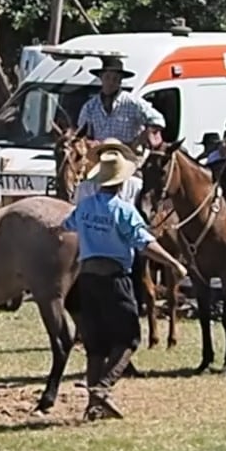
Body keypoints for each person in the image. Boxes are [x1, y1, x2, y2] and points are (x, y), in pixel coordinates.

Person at [63, 145, 186, 421]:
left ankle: (93, 407)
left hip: (87, 279)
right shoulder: (124, 211)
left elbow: (66, 225)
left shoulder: (84, 207)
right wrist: (173, 263)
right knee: (129, 339)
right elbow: (145, 243)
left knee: (96, 345)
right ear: (121, 181)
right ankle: (102, 390)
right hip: (115, 279)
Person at [75, 56, 166, 151]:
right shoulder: (90, 107)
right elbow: (81, 134)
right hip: (100, 156)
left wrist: (144, 136)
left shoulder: (132, 102)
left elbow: (158, 119)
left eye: (115, 79)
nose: (111, 82)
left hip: (128, 155)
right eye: (107, 77)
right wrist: (90, 142)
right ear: (101, 78)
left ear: (120, 81)